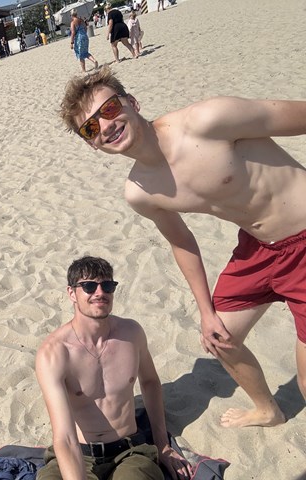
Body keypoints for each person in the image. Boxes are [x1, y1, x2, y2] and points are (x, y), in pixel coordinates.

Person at [59, 66, 306, 428]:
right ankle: (268, 409)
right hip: (259, 248)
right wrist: (206, 312)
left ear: (132, 102)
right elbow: (181, 241)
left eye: (109, 109)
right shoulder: (140, 192)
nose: (106, 126)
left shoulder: (206, 121)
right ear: (91, 144)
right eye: (91, 128)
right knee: (220, 338)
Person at [36, 256, 191, 480]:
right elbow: (65, 439)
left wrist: (162, 445)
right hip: (78, 452)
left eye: (107, 285)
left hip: (129, 451)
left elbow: (150, 382)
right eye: (89, 286)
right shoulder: (54, 352)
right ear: (72, 293)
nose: (100, 293)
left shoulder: (131, 334)